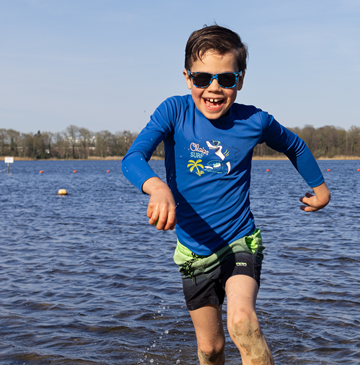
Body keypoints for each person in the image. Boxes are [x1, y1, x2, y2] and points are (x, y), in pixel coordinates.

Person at [121, 25, 330, 365]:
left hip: (240, 241)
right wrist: (156, 186)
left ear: (241, 80)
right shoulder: (174, 112)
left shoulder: (254, 121)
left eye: (226, 79)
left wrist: (321, 191)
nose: (214, 88)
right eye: (203, 79)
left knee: (242, 324)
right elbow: (133, 158)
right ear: (188, 78)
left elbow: (294, 145)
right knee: (210, 348)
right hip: (193, 252)